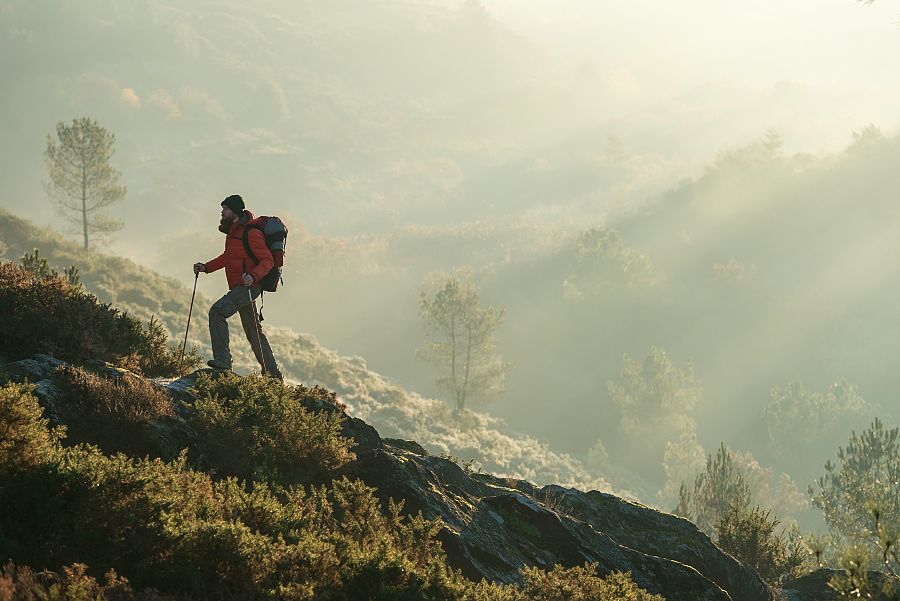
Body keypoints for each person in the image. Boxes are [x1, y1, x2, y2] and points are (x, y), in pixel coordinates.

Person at [193, 194, 283, 380]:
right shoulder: (234, 232)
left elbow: (267, 260)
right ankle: (273, 376)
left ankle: (223, 361)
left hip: (249, 286)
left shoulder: (251, 233)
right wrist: (206, 267)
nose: (222, 212)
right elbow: (227, 258)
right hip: (242, 287)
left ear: (233, 211)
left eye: (225, 209)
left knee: (217, 312)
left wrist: (252, 276)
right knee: (254, 332)